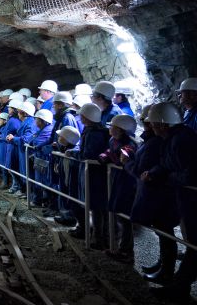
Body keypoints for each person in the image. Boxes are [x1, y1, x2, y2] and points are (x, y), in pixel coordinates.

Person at [144, 103, 197, 302]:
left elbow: (189, 175)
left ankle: (179, 287)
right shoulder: (175, 137)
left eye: (154, 123)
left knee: (194, 244)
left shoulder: (181, 141)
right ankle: (178, 284)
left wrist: (164, 178)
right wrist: (156, 173)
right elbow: (168, 164)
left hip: (191, 198)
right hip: (185, 198)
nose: (152, 127)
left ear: (163, 124)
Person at [126, 105, 179, 284]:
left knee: (165, 231)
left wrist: (128, 163)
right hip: (160, 192)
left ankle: (167, 271)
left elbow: (143, 169)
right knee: (163, 232)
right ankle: (164, 265)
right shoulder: (155, 139)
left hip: (160, 193)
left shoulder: (156, 142)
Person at [67, 103, 110, 244]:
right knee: (95, 205)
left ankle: (97, 238)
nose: (80, 117)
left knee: (96, 205)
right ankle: (96, 234)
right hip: (93, 173)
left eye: (83, 115)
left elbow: (89, 154)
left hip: (93, 174)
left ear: (88, 117)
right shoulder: (94, 130)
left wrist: (74, 153)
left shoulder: (94, 133)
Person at [99, 114, 138, 262]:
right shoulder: (113, 140)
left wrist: (117, 157)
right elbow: (111, 151)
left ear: (121, 129)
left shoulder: (130, 143)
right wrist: (105, 155)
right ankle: (121, 248)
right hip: (119, 180)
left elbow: (125, 158)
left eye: (113, 126)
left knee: (125, 216)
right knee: (119, 214)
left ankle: (126, 251)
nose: (110, 128)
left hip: (127, 182)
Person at [53, 126, 81, 226]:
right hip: (65, 178)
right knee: (65, 195)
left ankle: (70, 218)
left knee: (71, 197)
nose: (58, 137)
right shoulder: (66, 148)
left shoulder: (72, 152)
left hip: (70, 180)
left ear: (67, 139)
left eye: (61, 136)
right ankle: (66, 216)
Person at [7, 101, 36, 199]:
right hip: (22, 152)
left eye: (19, 112)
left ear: (25, 113)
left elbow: (27, 139)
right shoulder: (26, 122)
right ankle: (27, 192)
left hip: (27, 153)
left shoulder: (30, 123)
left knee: (28, 173)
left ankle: (31, 194)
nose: (18, 114)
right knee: (25, 173)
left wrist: (13, 138)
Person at [29, 109, 54, 208]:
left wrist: (34, 139)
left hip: (44, 159)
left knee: (42, 181)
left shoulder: (47, 130)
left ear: (42, 120)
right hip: (40, 158)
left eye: (37, 120)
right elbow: (32, 140)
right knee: (40, 181)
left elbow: (35, 142)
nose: (35, 122)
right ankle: (42, 201)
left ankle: (40, 201)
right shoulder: (43, 129)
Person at [0, 112, 10, 188]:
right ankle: (0, 180)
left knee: (3, 166)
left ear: (5, 121)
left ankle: (5, 182)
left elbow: (6, 135)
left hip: (3, 148)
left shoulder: (7, 127)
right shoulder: (1, 128)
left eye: (0, 120)